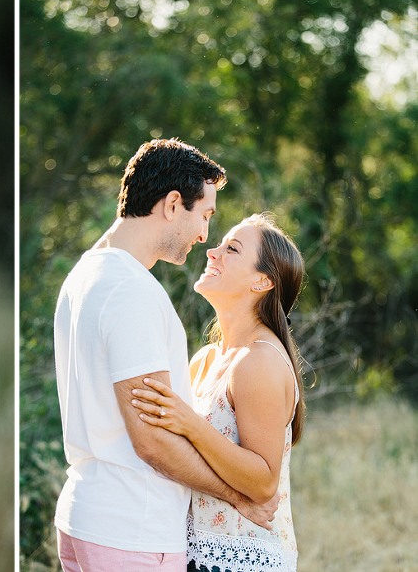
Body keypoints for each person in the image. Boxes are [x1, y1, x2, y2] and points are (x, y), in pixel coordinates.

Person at [51, 138, 278, 572]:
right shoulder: (130, 289)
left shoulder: (85, 274)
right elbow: (152, 440)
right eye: (205, 215)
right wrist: (237, 498)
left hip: (88, 520)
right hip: (132, 533)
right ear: (173, 204)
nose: (205, 236)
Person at [128, 213, 304, 571]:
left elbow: (264, 481)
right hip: (192, 549)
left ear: (261, 281)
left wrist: (191, 424)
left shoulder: (260, 362)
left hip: (243, 556)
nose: (212, 251)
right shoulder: (206, 359)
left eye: (232, 249)